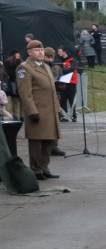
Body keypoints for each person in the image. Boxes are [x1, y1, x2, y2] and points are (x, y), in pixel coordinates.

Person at [16, 40, 62, 180]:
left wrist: (58, 109)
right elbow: (25, 93)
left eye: (41, 50)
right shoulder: (24, 68)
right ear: (29, 52)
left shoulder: (45, 67)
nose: (41, 53)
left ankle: (44, 168)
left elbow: (52, 91)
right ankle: (36, 170)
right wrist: (32, 111)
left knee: (49, 141)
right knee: (36, 142)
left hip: (50, 111)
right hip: (37, 111)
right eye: (37, 50)